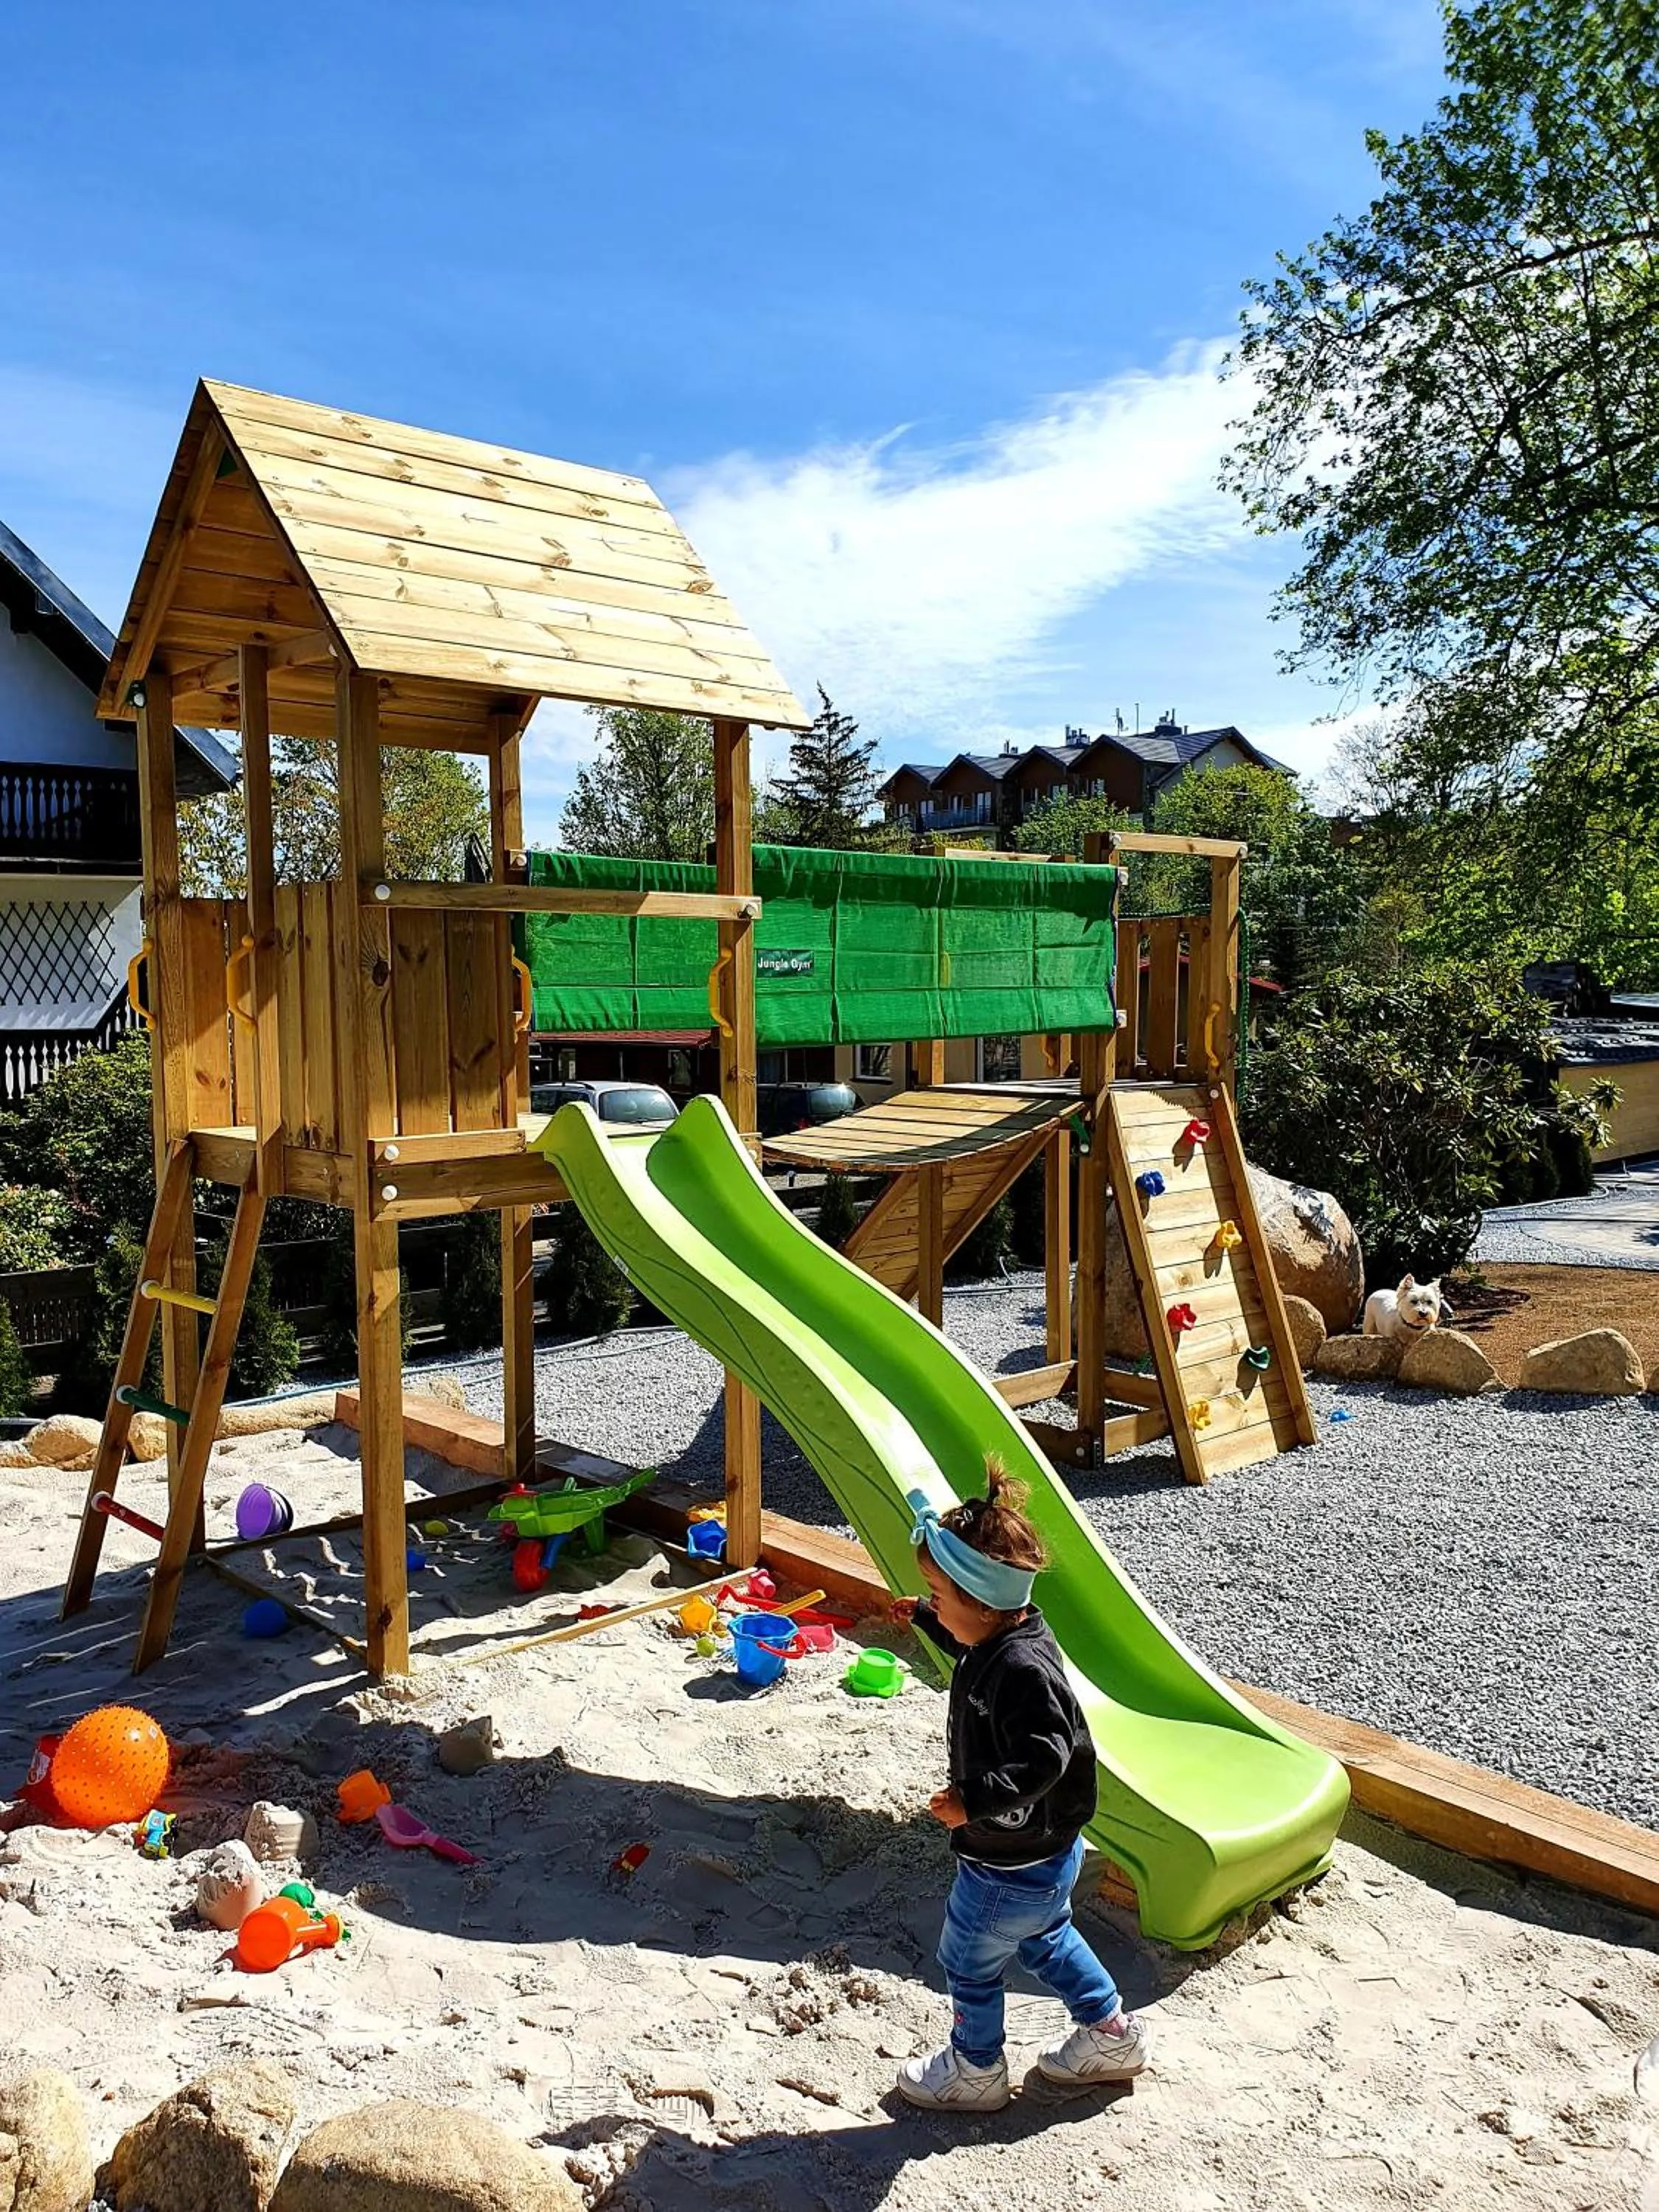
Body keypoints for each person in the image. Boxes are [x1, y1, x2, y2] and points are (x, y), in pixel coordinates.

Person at [890, 1459, 1152, 2111]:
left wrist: (971, 1801)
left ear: (980, 1601)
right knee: (1049, 1936)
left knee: (968, 1962)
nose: (936, 1603)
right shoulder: (1004, 1635)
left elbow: (1044, 1759)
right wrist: (928, 1620)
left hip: (1006, 1860)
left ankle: (977, 2070)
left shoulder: (1024, 1670)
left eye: (940, 1595)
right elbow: (972, 1649)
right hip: (1048, 1856)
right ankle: (1111, 2034)